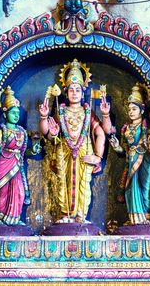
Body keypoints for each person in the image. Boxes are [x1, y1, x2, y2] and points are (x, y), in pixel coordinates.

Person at [39, 59, 109, 223]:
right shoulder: (61, 112)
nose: (75, 93)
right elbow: (48, 135)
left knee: (84, 184)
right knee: (64, 183)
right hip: (64, 151)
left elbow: (101, 133)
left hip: (85, 151)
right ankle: (65, 215)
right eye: (71, 90)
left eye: (78, 89)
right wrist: (44, 117)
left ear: (83, 91)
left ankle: (80, 216)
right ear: (66, 91)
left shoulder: (88, 112)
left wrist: (98, 156)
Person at [108, 85, 150, 225]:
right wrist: (116, 146)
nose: (131, 112)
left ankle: (146, 220)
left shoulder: (145, 128)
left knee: (145, 190)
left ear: (142, 110)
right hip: (131, 161)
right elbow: (124, 150)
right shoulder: (126, 129)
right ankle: (133, 220)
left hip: (144, 162)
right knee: (130, 191)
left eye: (134, 109)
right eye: (129, 109)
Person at [0, 86, 30, 225]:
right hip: (3, 164)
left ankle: (15, 219)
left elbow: (24, 151)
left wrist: (33, 150)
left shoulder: (22, 132)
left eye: (17, 113)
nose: (16, 116)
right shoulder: (2, 131)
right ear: (5, 114)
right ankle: (0, 218)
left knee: (19, 192)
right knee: (3, 192)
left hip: (17, 165)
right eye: (13, 113)